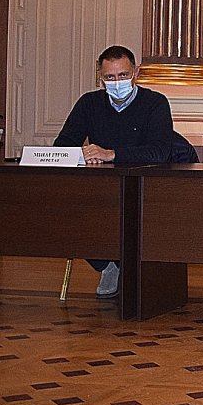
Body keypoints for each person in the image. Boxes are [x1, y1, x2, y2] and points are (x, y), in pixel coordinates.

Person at [54, 45, 175, 298]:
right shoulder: (89, 103)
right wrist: (82, 154)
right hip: (100, 188)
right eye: (109, 77)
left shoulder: (155, 103)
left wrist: (112, 154)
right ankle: (107, 264)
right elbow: (62, 146)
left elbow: (160, 151)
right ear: (100, 78)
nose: (117, 82)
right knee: (68, 208)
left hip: (144, 188)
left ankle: (129, 268)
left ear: (136, 73)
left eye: (123, 75)